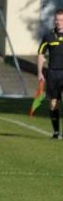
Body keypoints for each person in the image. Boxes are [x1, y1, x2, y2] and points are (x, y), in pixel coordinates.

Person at [37, 9, 63, 139]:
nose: (59, 22)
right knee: (53, 103)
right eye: (57, 20)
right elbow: (41, 54)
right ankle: (56, 132)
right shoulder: (48, 36)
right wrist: (40, 72)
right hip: (52, 73)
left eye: (61, 20)